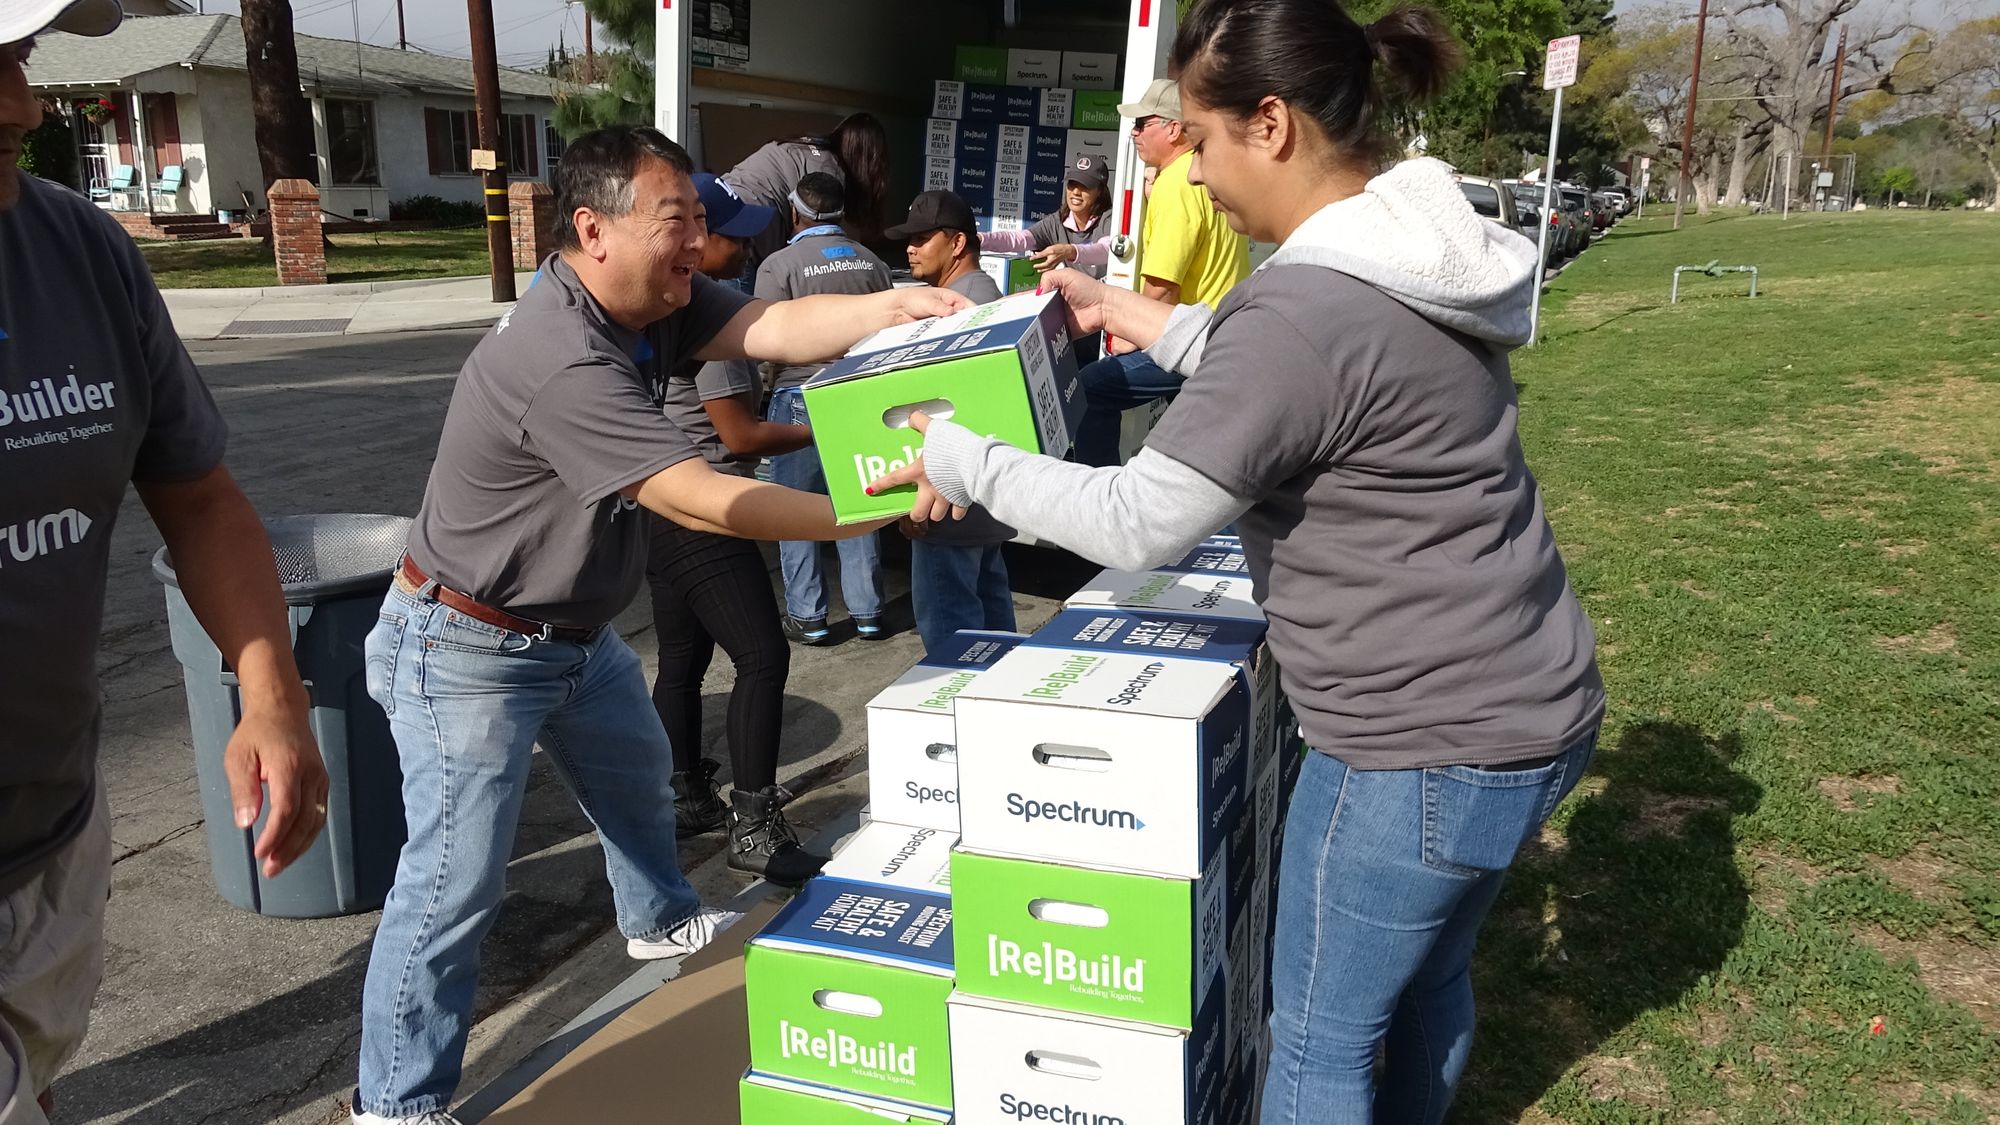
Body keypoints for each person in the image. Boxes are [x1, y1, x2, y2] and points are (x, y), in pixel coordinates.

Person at [869, 1, 1604, 1121]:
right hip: (1529, 696)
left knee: (1314, 1038)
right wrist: (1116, 305)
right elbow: (1289, 371)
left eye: (1198, 141)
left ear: (1269, 125)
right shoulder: (1407, 250)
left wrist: (967, 457)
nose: (1194, 176)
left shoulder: (1307, 307)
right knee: (1425, 983)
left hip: (1416, 742)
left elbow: (1135, 522)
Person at [352, 126, 965, 1125]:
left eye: (702, 223)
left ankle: (662, 925)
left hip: (569, 632)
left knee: (638, 783)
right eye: (677, 224)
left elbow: (773, 328)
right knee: (450, 890)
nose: (699, 247)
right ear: (592, 229)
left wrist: (890, 304)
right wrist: (874, 506)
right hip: (465, 647)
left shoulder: (653, 303)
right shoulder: (563, 354)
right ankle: (394, 1104)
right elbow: (699, 498)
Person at [1, 5, 328, 1124]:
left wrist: (270, 692)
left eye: (15, 61)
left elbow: (196, 496)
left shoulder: (77, 250)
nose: (20, 107)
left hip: (51, 825)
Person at [648, 173, 825, 885]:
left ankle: (685, 792)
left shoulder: (668, 309)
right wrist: (822, 431)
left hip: (659, 509)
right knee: (761, 656)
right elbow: (742, 435)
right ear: (696, 240)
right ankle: (754, 823)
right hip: (703, 507)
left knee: (683, 662)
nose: (750, 245)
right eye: (735, 234)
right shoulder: (713, 332)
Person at [1071, 77, 1252, 468]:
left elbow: (1162, 288)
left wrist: (1129, 334)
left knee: (1089, 387)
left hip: (1191, 339)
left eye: (1142, 124)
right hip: (1219, 333)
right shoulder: (1199, 173)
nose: (1133, 133)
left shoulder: (1175, 185)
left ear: (1173, 129)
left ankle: (1098, 498)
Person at [756, 173, 895, 647]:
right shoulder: (872, 263)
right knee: (860, 503)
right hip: (858, 395)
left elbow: (763, 343)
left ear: (796, 213)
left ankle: (808, 617)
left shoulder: (779, 265)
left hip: (799, 397)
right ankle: (869, 613)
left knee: (794, 510)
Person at [884, 192, 1017, 653]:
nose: (911, 248)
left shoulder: (957, 310)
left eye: (923, 238)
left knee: (954, 648)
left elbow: (945, 409)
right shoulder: (984, 296)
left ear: (957, 243)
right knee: (996, 632)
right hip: (981, 497)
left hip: (949, 502)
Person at [722, 113, 893, 285]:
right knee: (744, 310)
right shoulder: (827, 173)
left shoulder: (798, 145)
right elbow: (816, 249)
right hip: (742, 237)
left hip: (716, 215)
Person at [977, 154, 1115, 279]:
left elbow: (1106, 250)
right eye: (1072, 185)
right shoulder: (1057, 221)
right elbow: (1020, 239)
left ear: (1100, 192)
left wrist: (1069, 251)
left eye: (1085, 186)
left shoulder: (1109, 218)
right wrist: (980, 239)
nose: (1076, 192)